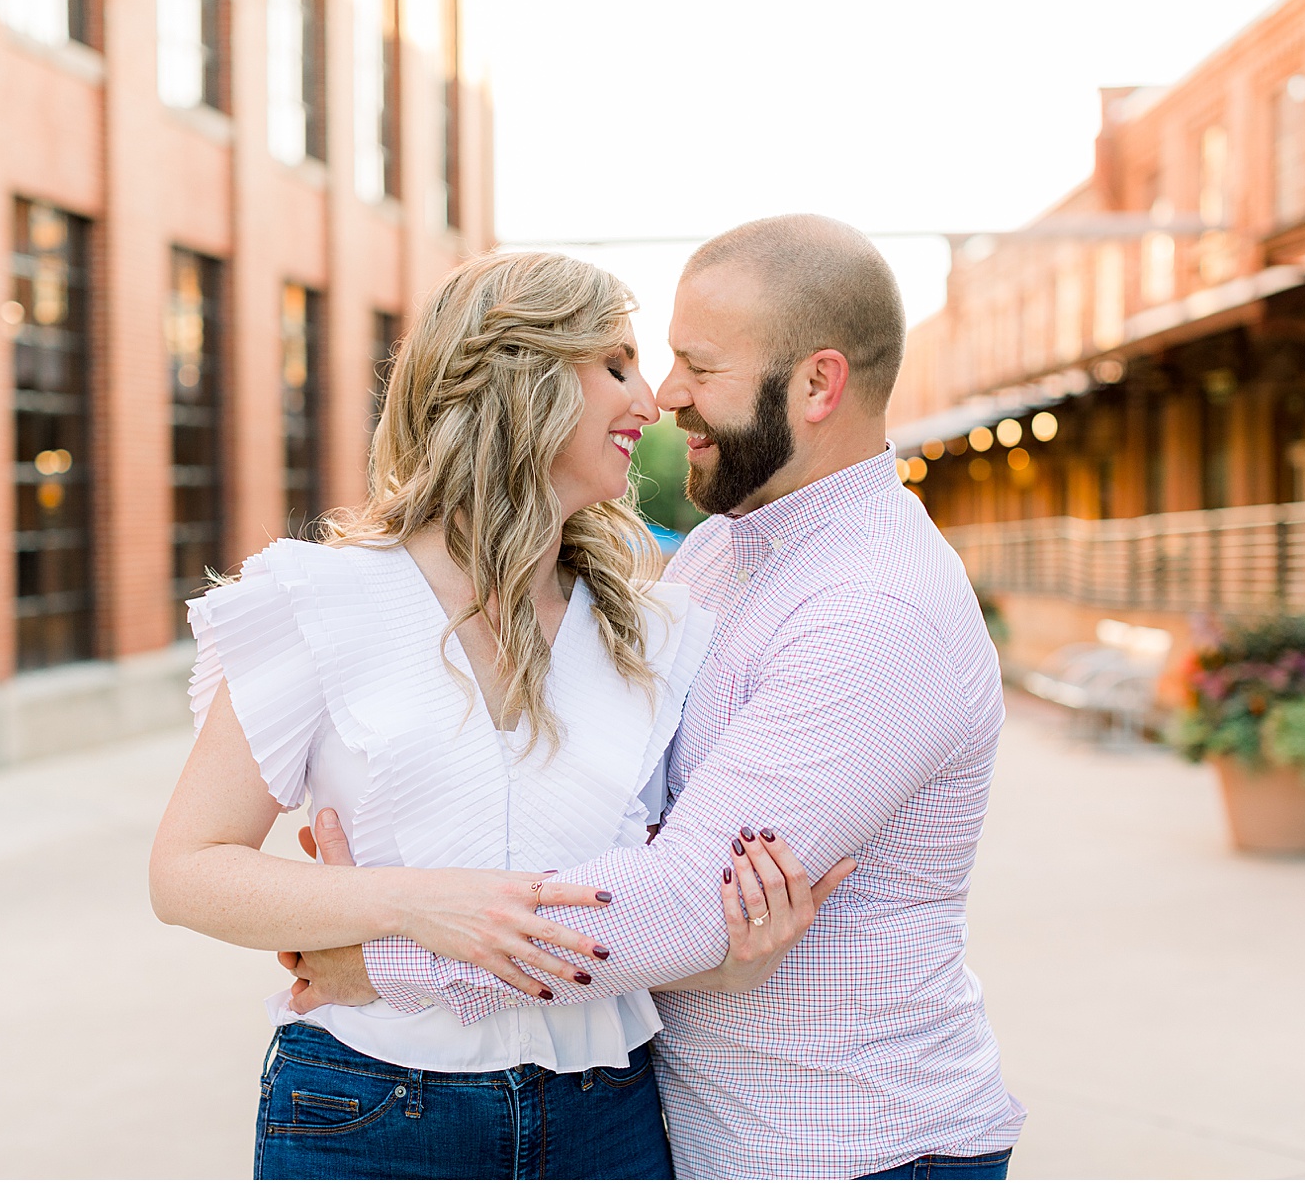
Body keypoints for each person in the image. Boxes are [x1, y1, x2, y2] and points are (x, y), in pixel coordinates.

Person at [282, 215, 1027, 1179]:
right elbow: (618, 806)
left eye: (697, 366)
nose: (666, 396)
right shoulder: (724, 551)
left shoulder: (881, 611)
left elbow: (677, 903)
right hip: (699, 1130)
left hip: (851, 1143)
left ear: (817, 383)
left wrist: (385, 955)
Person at [148, 250, 852, 1180]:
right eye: (613, 365)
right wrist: (412, 903)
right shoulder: (318, 600)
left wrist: (728, 959)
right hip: (370, 1107)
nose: (651, 402)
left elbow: (636, 905)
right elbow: (186, 871)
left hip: (606, 1116)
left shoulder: (655, 631)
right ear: (517, 378)